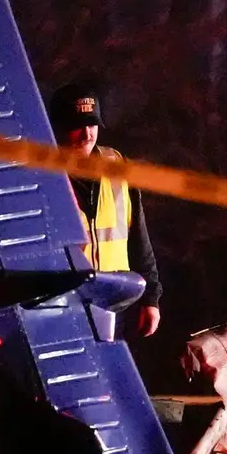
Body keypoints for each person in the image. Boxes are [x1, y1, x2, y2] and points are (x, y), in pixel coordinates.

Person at [46, 81, 162, 338]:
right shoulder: (42, 176)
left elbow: (139, 242)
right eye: (78, 126)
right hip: (59, 308)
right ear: (57, 128)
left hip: (114, 306)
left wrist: (151, 299)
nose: (87, 134)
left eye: (92, 124)